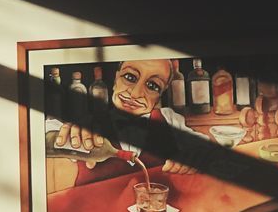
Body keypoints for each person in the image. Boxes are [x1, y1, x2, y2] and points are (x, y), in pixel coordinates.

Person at [45, 57, 207, 186]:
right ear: (116, 79)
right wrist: (62, 134)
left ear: (160, 95)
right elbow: (41, 130)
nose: (135, 93)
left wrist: (196, 156)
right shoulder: (87, 121)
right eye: (130, 77)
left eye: (152, 85)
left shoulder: (169, 119)